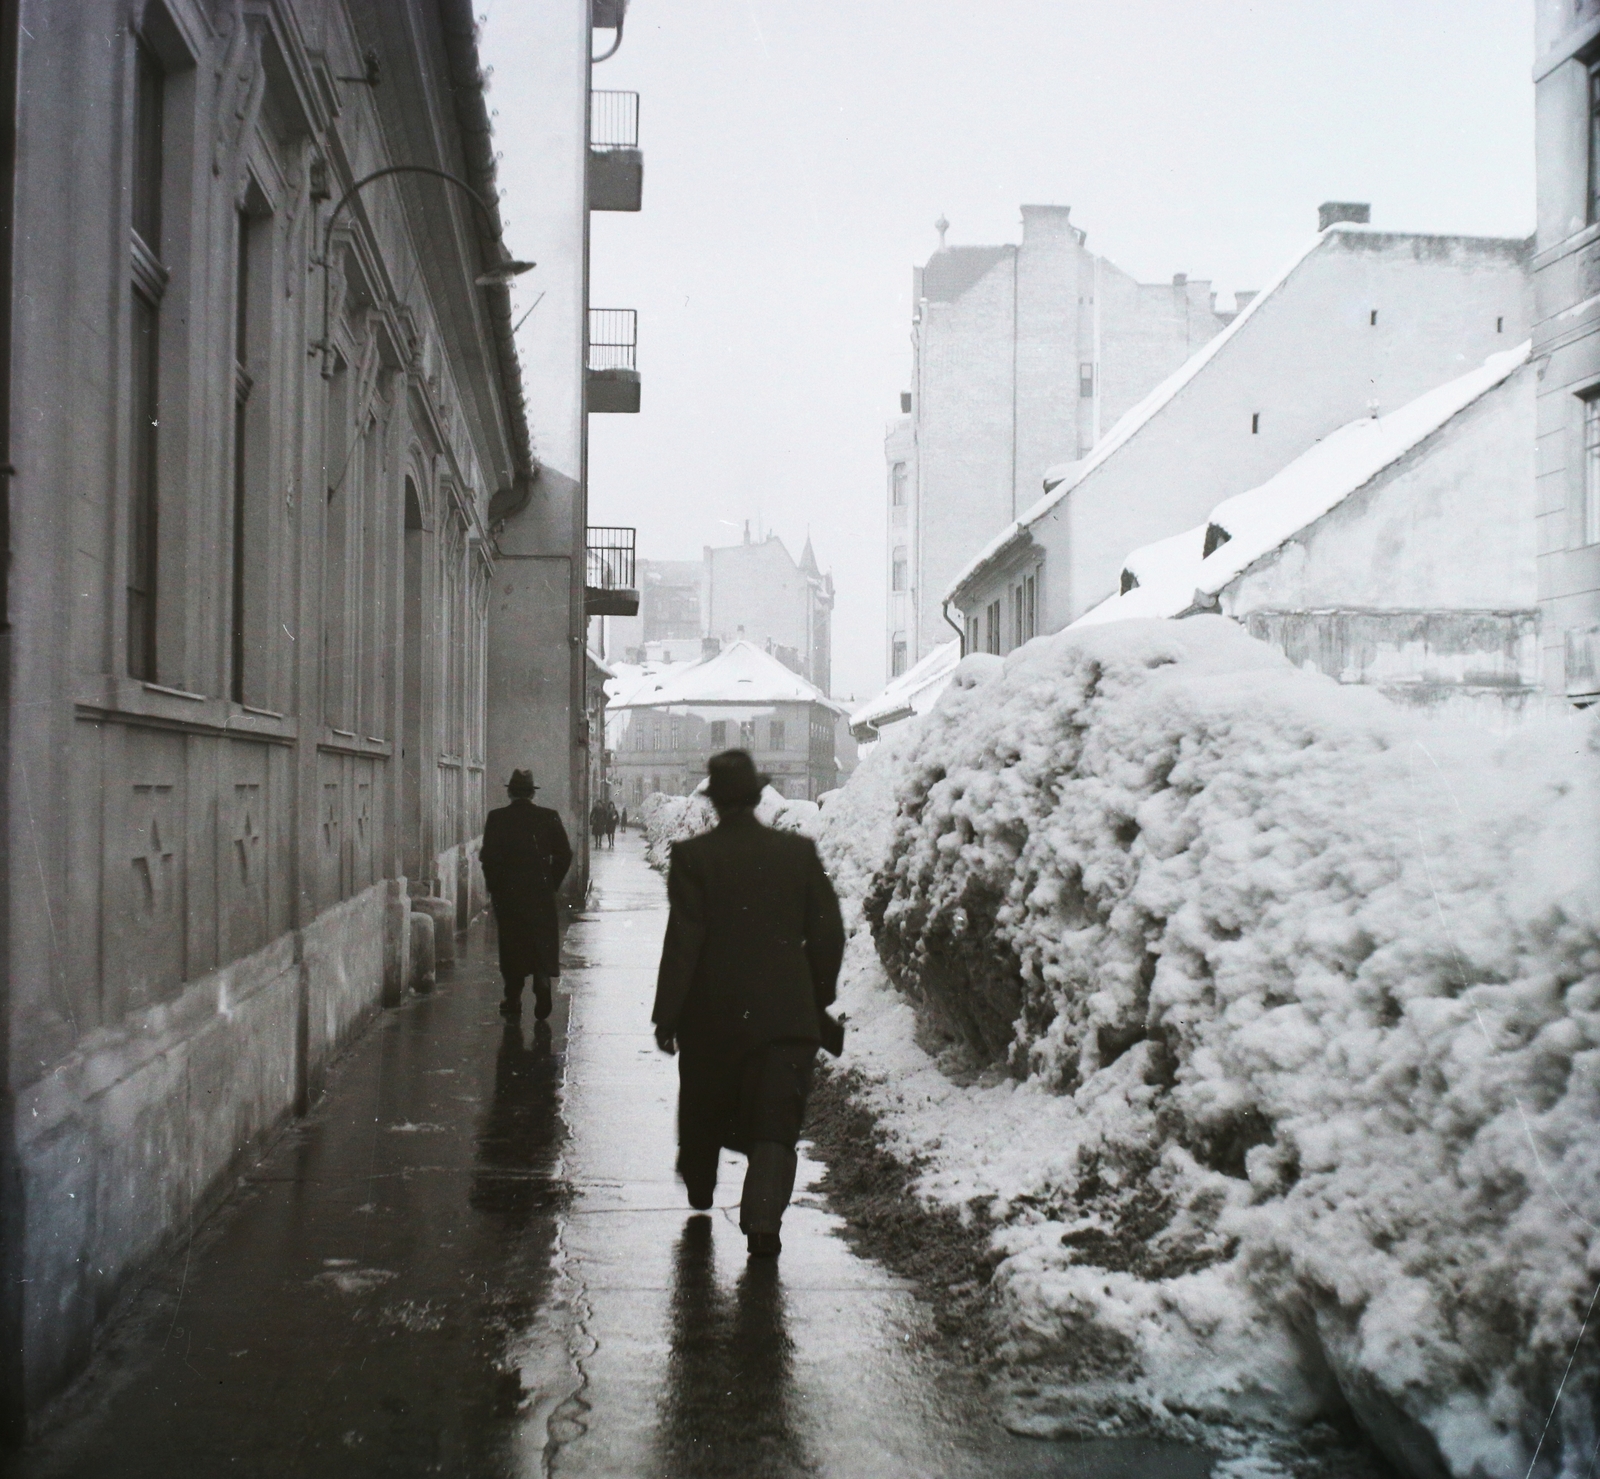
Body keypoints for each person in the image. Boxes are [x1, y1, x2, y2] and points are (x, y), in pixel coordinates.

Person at [652, 750, 845, 1257]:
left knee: (705, 1102)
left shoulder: (694, 858)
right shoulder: (798, 853)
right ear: (759, 797)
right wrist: (816, 995)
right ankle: (762, 1223)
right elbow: (828, 933)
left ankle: (699, 1178)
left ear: (713, 800)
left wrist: (667, 1016)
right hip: (786, 1018)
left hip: (712, 1018)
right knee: (775, 1121)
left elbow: (683, 943)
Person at [480, 770, 572, 1021]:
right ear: (532, 793)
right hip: (540, 894)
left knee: (512, 946)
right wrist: (550, 882)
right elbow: (565, 854)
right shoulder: (548, 817)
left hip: (509, 896)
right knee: (540, 941)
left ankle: (513, 998)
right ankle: (542, 982)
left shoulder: (497, 818)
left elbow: (488, 859)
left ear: (510, 792)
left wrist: (496, 888)